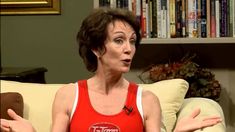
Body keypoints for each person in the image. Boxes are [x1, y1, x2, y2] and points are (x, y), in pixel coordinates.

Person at [0, 8, 222, 132]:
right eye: (119, 41)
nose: (129, 49)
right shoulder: (68, 96)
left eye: (132, 41)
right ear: (97, 48)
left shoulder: (146, 100)